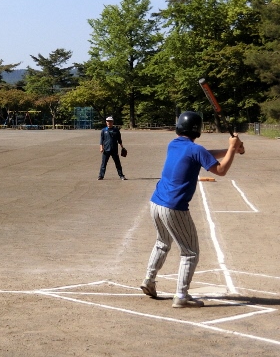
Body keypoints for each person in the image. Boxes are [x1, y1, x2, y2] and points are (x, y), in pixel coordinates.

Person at [140, 111, 245, 308]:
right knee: (190, 252)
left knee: (162, 242)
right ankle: (181, 295)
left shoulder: (174, 144)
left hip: (156, 203)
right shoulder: (195, 150)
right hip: (174, 207)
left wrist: (232, 150)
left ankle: (149, 280)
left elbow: (203, 155)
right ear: (198, 129)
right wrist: (231, 148)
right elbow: (220, 170)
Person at [98, 116, 126, 180]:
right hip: (106, 149)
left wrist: (122, 147)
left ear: (112, 122)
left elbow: (119, 140)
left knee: (117, 163)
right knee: (103, 164)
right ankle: (101, 176)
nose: (109, 123)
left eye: (110, 121)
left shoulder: (116, 130)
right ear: (106, 122)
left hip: (114, 149)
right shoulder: (103, 130)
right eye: (108, 121)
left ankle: (121, 175)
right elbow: (101, 140)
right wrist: (101, 148)